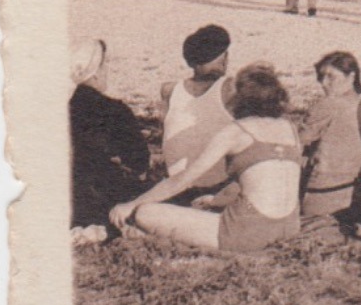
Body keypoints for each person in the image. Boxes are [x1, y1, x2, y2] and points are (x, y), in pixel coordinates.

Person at [110, 64, 303, 253]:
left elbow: (182, 180)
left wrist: (132, 204)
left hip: (247, 233)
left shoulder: (236, 131)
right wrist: (216, 200)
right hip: (289, 228)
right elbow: (264, 180)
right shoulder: (289, 128)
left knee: (146, 212)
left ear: (240, 98)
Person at [68, 39, 151, 239]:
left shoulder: (63, 109)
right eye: (106, 65)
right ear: (95, 71)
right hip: (103, 199)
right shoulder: (114, 110)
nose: (108, 71)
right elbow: (140, 162)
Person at [298, 51, 361, 221]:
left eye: (330, 77)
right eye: (321, 77)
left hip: (323, 197)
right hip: (357, 196)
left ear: (351, 76)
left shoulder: (328, 104)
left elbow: (295, 143)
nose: (323, 83)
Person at [161, 24, 238, 187]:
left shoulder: (170, 90)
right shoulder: (230, 89)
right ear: (224, 58)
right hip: (217, 186)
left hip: (174, 184)